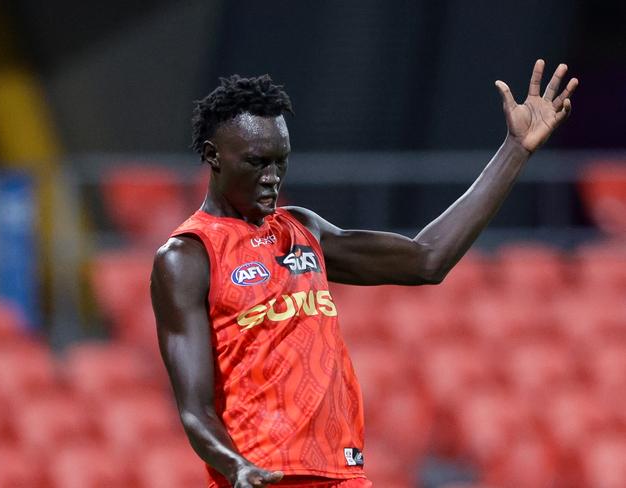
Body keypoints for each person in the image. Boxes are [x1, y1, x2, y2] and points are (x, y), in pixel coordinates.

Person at [150, 60, 577, 488]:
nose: (272, 178)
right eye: (257, 162)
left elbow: (426, 259)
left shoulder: (304, 229)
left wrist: (515, 151)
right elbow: (195, 408)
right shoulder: (188, 256)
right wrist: (235, 466)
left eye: (281, 162)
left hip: (343, 475)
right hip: (264, 478)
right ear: (212, 156)